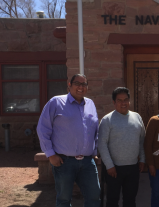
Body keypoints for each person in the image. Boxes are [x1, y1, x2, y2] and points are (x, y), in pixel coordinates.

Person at [37, 74, 100, 207]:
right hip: (64, 161)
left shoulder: (90, 104)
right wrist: (50, 154)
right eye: (77, 83)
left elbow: (95, 129)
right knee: (64, 200)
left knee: (94, 197)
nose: (80, 87)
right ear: (69, 85)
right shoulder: (56, 102)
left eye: (84, 84)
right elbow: (43, 128)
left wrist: (94, 151)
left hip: (87, 162)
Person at [97, 87, 145, 207]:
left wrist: (142, 159)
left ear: (129, 101)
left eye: (126, 100)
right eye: (119, 100)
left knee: (130, 200)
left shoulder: (137, 117)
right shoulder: (107, 120)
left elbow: (141, 140)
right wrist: (109, 165)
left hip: (133, 168)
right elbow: (102, 144)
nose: (123, 103)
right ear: (114, 102)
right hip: (114, 169)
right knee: (112, 201)